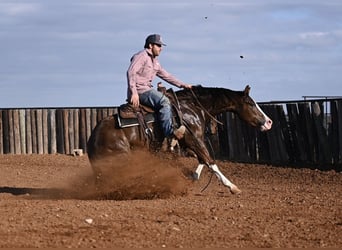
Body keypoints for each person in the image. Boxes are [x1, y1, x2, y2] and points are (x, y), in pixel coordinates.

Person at [126, 34, 192, 141]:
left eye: (161, 46)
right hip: (140, 91)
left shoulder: (155, 62)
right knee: (164, 101)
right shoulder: (141, 56)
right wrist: (134, 93)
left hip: (147, 90)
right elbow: (131, 72)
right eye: (158, 45)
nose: (161, 49)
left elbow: (166, 76)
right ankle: (169, 134)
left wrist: (182, 85)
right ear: (150, 45)